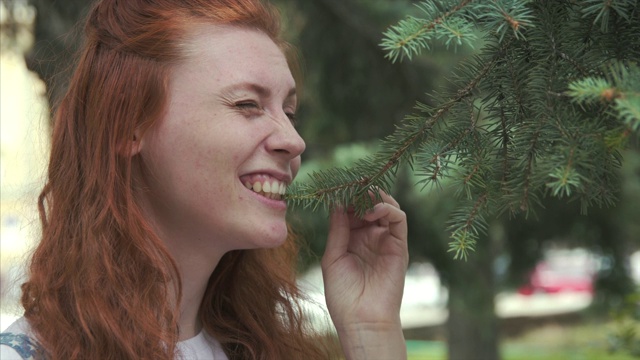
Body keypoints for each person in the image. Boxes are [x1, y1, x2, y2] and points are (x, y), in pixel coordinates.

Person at [0, 0, 409, 359]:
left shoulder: (264, 348)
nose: (294, 140)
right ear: (128, 126)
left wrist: (370, 331)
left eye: (289, 111)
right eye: (247, 104)